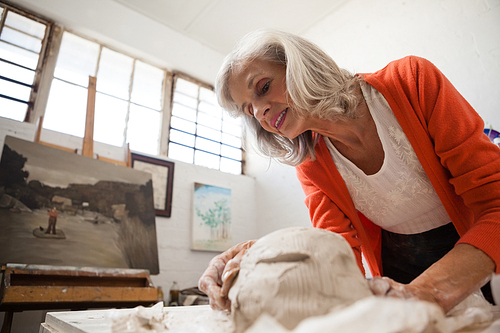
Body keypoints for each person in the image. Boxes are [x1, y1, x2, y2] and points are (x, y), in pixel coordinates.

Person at [198, 29, 500, 314]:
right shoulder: (311, 165)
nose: (260, 111)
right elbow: (335, 255)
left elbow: (496, 206)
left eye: (263, 87)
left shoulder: (412, 82)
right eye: (249, 109)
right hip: (396, 266)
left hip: (470, 251)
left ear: (300, 65)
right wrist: (261, 254)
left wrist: (428, 292)